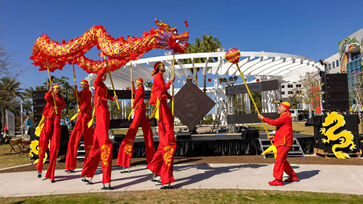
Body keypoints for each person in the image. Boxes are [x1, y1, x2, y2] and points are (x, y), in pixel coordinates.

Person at [80, 67, 117, 190]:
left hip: (105, 111)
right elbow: (101, 95)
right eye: (103, 75)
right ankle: (105, 181)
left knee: (95, 149)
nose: (105, 76)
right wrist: (106, 67)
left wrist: (113, 98)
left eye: (106, 74)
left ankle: (88, 174)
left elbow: (108, 96)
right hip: (100, 111)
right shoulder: (96, 83)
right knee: (104, 145)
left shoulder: (104, 86)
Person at [147, 62, 176, 189]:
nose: (164, 67)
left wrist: (170, 97)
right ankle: (159, 172)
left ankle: (154, 167)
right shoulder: (158, 77)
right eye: (162, 65)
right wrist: (170, 82)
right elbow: (163, 88)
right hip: (161, 107)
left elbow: (163, 91)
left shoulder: (160, 77)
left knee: (164, 144)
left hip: (164, 105)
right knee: (167, 140)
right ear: (158, 67)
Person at [116, 78, 155, 172]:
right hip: (140, 108)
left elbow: (137, 96)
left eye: (137, 83)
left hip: (139, 108)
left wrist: (133, 104)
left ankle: (125, 159)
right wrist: (132, 85)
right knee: (147, 132)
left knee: (132, 130)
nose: (137, 84)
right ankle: (151, 160)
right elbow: (135, 93)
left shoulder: (141, 89)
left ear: (140, 83)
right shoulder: (140, 89)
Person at [258, 102, 299, 186]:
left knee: (279, 161)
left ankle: (278, 180)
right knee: (283, 161)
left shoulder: (285, 116)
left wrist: (263, 118)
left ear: (285, 108)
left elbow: (274, 122)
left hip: (284, 143)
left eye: (280, 106)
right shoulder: (284, 116)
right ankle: (293, 176)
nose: (278, 107)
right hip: (282, 142)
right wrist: (274, 137)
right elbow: (283, 131)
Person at [36, 84, 65, 183]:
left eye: (58, 88)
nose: (57, 90)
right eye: (55, 88)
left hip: (56, 120)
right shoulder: (50, 96)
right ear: (53, 89)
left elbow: (63, 105)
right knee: (43, 144)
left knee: (54, 146)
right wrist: (49, 91)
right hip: (48, 119)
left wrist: (59, 107)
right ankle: (39, 167)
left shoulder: (60, 98)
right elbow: (46, 98)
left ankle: (51, 174)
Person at [65, 80, 93, 173]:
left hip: (86, 116)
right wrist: (76, 90)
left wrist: (80, 109)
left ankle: (89, 164)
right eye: (81, 85)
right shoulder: (84, 91)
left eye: (83, 85)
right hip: (81, 116)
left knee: (88, 139)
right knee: (74, 137)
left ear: (86, 85)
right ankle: (70, 164)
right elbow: (77, 96)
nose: (82, 86)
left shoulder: (88, 92)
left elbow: (86, 102)